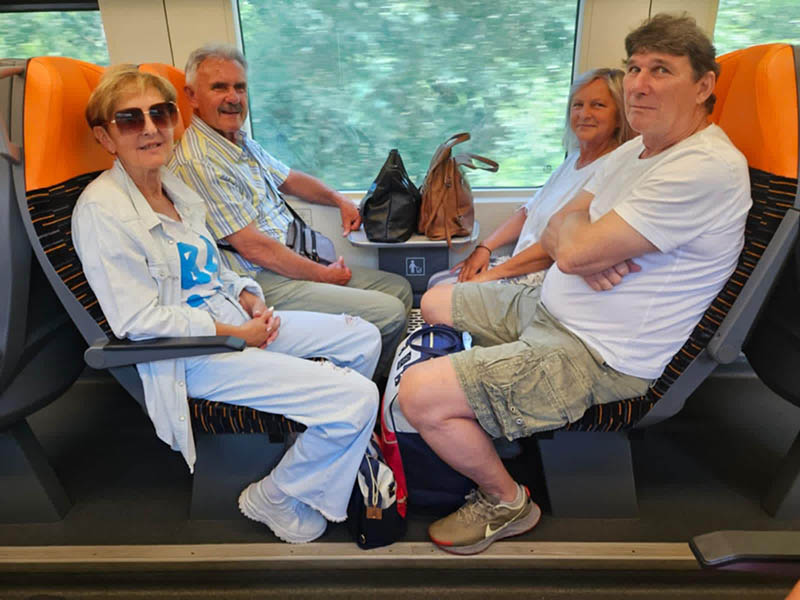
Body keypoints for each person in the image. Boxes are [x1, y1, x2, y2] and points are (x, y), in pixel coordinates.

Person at [398, 13, 751, 555]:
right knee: (437, 299)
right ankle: (492, 405)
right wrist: (578, 252)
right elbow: (562, 222)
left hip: (597, 354)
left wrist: (579, 250)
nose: (639, 84)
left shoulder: (704, 167)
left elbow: (574, 243)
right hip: (550, 306)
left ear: (704, 85)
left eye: (661, 70)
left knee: (418, 395)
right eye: (635, 68)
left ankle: (507, 502)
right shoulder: (636, 149)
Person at [74, 65, 383, 544]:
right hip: (191, 354)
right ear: (105, 137)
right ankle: (275, 495)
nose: (151, 128)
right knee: (357, 398)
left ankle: (315, 449)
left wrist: (249, 297)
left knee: (362, 337)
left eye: (161, 113)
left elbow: (215, 267)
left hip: (233, 320)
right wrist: (237, 334)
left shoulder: (172, 188)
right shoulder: (103, 211)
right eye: (131, 119)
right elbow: (138, 320)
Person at [168, 44, 412, 380]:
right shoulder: (199, 162)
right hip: (262, 279)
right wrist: (322, 274)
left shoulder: (238, 142)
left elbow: (290, 180)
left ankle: (382, 386)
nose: (233, 98)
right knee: (390, 312)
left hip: (290, 261)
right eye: (219, 87)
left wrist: (339, 200)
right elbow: (255, 248)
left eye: (240, 87)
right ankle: (366, 392)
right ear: (192, 97)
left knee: (400, 288)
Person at [426, 67, 634, 288]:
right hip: (517, 264)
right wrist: (484, 248)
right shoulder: (573, 161)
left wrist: (491, 275)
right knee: (435, 281)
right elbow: (528, 211)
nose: (584, 114)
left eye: (598, 105)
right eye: (578, 105)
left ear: (619, 116)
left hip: (542, 277)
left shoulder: (612, 169)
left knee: (438, 293)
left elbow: (557, 246)